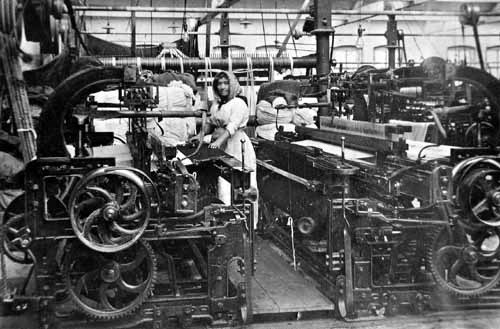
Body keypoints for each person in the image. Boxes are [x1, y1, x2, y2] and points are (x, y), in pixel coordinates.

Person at [204, 71, 258, 222]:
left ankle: (249, 224)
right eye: (219, 84)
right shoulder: (216, 105)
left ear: (232, 85)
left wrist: (217, 142)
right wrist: (200, 136)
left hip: (237, 145)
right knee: (223, 185)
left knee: (245, 186)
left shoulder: (239, 103)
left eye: (225, 83)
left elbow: (232, 127)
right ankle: (227, 222)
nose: (222, 87)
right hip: (223, 147)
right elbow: (210, 123)